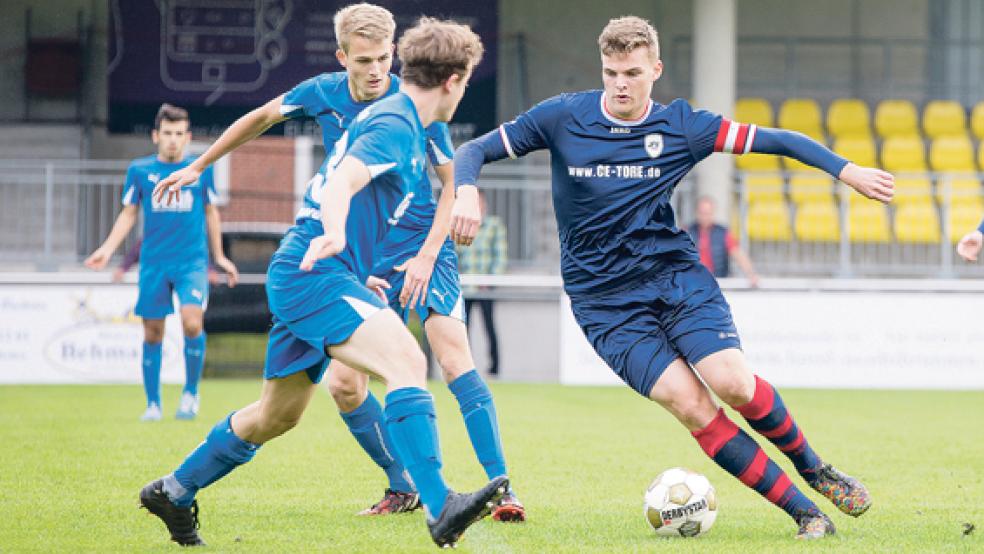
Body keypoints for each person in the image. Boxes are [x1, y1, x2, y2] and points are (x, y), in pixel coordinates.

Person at [450, 16, 895, 540]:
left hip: (673, 277)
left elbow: (775, 139)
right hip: (603, 303)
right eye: (612, 72)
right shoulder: (562, 116)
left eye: (633, 73)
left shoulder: (682, 126)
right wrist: (465, 190)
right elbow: (472, 150)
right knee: (692, 405)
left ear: (655, 70)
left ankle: (815, 468)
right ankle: (805, 513)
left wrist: (846, 170)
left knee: (733, 382)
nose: (620, 84)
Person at [140, 16, 505, 548]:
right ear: (454, 81)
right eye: (467, 81)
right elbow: (345, 179)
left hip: (316, 273)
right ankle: (438, 503)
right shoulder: (395, 125)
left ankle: (173, 490)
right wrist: (334, 232)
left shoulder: (402, 120)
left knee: (276, 415)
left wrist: (359, 271)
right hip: (315, 270)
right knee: (407, 359)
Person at [256, 3, 523, 520]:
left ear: (395, 56)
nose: (376, 69)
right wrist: (201, 164)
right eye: (365, 60)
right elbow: (267, 120)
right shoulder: (328, 96)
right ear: (346, 59)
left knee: (452, 356)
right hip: (370, 249)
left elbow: (451, 179)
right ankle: (405, 485)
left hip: (425, 245)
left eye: (383, 58)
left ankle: (503, 488)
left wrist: (432, 245)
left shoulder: (416, 107)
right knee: (344, 384)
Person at [84, 104, 239, 422]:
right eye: (167, 133)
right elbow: (129, 214)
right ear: (156, 136)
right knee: (153, 332)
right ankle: (153, 404)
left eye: (179, 134)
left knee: (192, 322)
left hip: (191, 262)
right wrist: (107, 248)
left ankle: (190, 394)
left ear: (188, 137)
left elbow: (211, 212)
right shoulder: (139, 171)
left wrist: (220, 256)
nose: (173, 140)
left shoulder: (200, 170)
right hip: (154, 263)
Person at [456, 189, 507, 376]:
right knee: (463, 328)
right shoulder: (460, 224)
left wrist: (490, 280)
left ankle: (494, 369)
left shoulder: (494, 225)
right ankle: (465, 368)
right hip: (466, 285)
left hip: (486, 286)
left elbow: (499, 256)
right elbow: (456, 254)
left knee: (489, 326)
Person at [688, 196, 759, 287]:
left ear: (713, 213)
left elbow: (738, 254)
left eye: (708, 213)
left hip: (718, 283)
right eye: (703, 213)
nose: (705, 217)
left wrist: (751, 274)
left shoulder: (723, 233)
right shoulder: (687, 232)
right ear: (697, 213)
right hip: (693, 284)